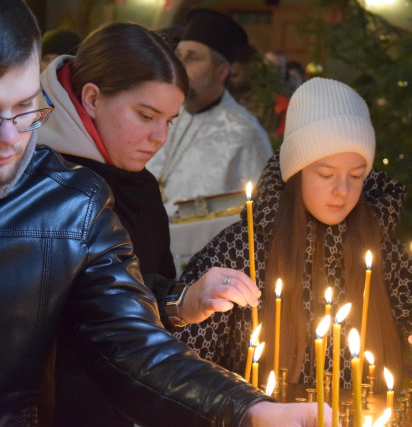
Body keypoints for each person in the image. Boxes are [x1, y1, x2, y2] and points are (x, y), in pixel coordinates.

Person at [0, 1, 332, 425]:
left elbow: (128, 340)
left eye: (25, 108)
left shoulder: (71, 203)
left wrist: (248, 409)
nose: (9, 138)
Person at [176, 78, 412, 392]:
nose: (342, 190)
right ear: (295, 173)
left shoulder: (382, 254)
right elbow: (181, 367)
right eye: (326, 174)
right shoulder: (240, 251)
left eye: (356, 175)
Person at [39, 22, 265, 425]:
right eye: (146, 115)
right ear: (92, 98)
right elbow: (95, 316)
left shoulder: (138, 185)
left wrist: (185, 299)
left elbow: (138, 288)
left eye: (170, 121)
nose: (160, 137)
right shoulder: (38, 181)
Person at [146, 8, 273, 216]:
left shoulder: (245, 134)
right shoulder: (163, 114)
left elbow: (261, 213)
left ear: (221, 72)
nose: (179, 66)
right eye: (178, 56)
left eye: (192, 58)